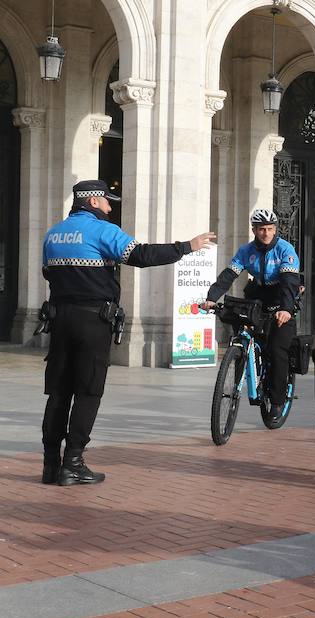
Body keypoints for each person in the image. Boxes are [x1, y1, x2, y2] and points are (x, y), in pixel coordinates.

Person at [41, 180, 215, 486]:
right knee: (88, 391)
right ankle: (74, 463)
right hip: (92, 322)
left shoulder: (53, 234)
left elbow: (47, 273)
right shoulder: (102, 231)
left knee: (58, 392)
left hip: (60, 320)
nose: (110, 206)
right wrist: (187, 247)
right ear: (93, 202)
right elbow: (142, 255)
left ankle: (50, 465)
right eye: (107, 201)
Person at [203, 208, 300, 423]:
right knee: (240, 327)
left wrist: (286, 308)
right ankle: (242, 360)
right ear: (254, 230)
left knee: (277, 350)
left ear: (275, 229)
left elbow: (289, 283)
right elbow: (228, 276)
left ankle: (276, 401)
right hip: (257, 295)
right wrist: (212, 297)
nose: (266, 233)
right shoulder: (246, 251)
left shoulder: (286, 250)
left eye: (269, 229)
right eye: (261, 230)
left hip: (281, 297)